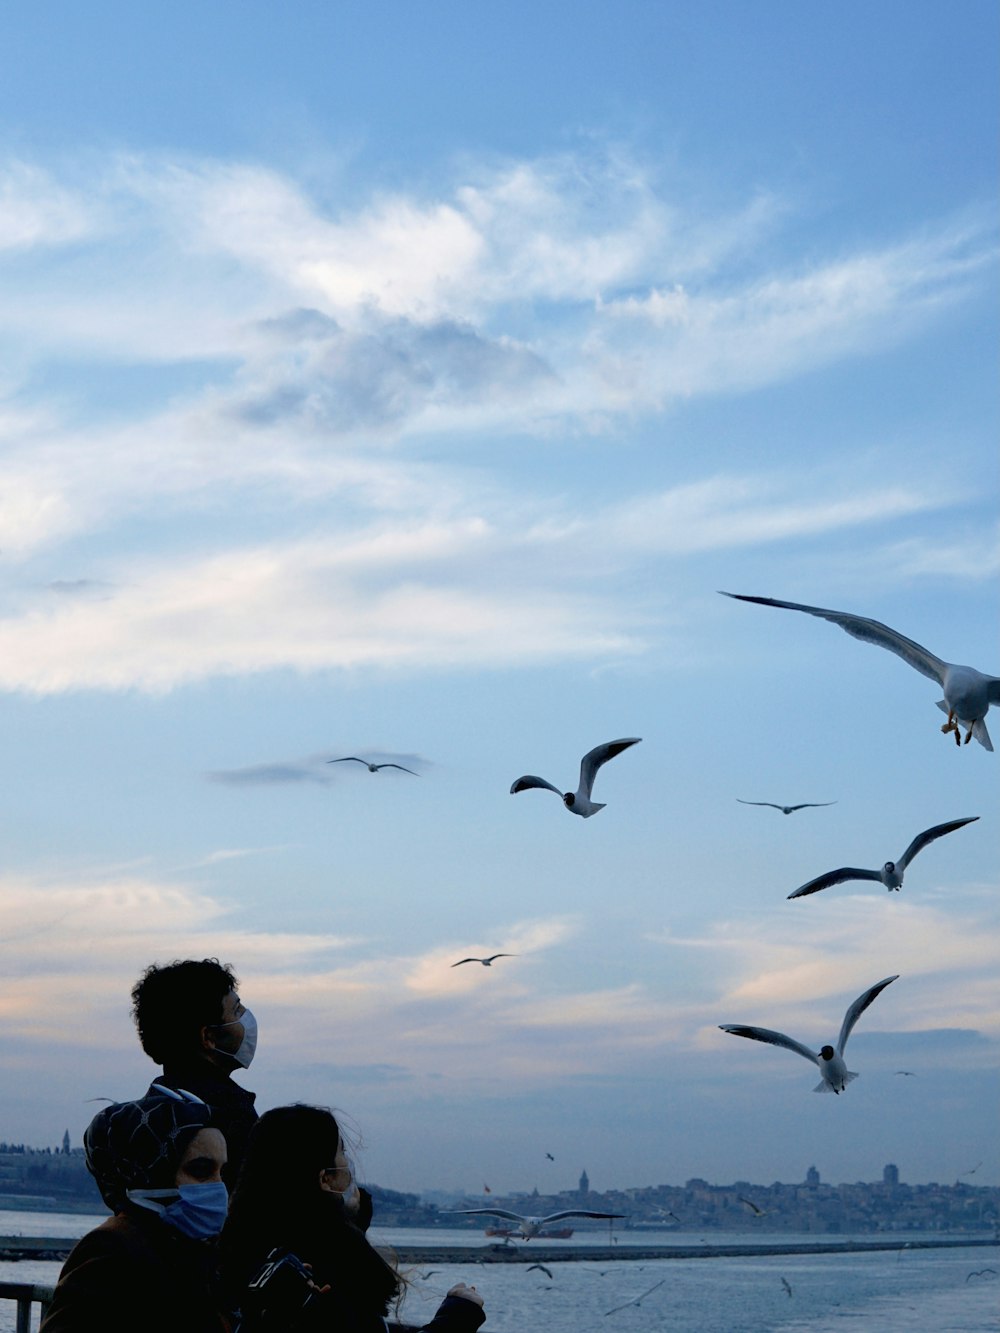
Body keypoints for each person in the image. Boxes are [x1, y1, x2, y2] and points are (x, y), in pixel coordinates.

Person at [221, 1104, 486, 1332]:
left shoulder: (239, 1249)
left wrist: (350, 1225)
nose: (347, 1163)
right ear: (325, 1179)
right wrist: (458, 1315)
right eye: (342, 1151)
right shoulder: (320, 1270)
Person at [41, 1088, 230, 1333]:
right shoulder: (111, 1248)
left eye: (221, 1172)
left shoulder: (186, 1248)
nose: (219, 1187)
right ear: (152, 1173)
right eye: (201, 1170)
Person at [131, 957, 258, 1185]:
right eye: (237, 1010)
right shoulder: (230, 1113)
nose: (246, 1017)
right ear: (208, 1037)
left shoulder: (151, 1107)